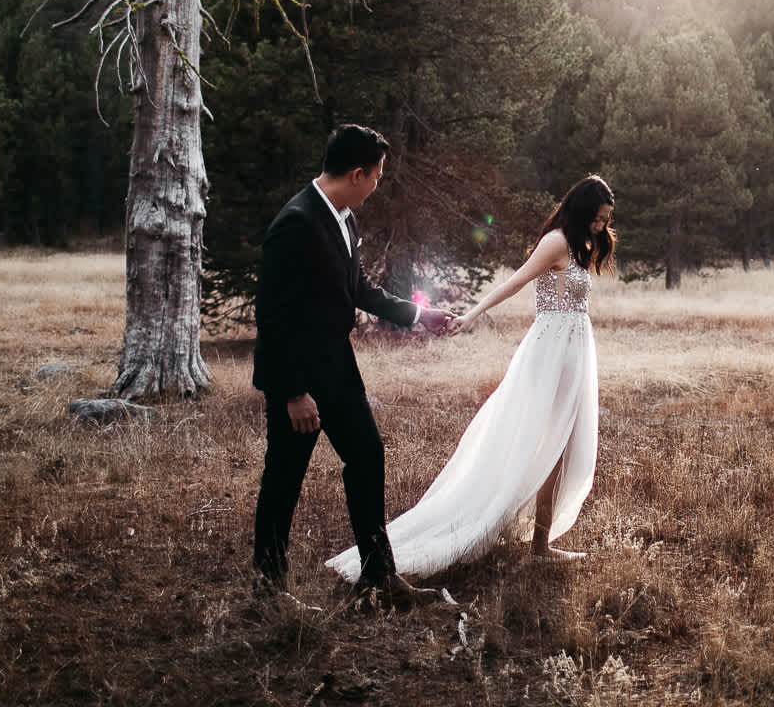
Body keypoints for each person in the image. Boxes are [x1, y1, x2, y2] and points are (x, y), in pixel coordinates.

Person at [326, 175, 614, 582]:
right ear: (583, 210)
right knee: (540, 439)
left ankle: (540, 544)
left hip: (576, 349)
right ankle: (518, 535)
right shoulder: (556, 242)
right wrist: (472, 315)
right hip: (551, 351)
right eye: (598, 219)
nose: (601, 227)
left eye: (606, 221)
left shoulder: (583, 244)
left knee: (564, 444)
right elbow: (514, 282)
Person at [251, 124, 455, 610]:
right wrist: (293, 392)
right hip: (298, 375)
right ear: (358, 173)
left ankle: (379, 578)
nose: (378, 185)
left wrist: (416, 315)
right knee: (284, 477)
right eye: (377, 176)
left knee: (366, 456)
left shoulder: (344, 218)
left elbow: (358, 289)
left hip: (337, 367)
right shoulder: (296, 222)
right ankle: (267, 591)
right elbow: (272, 316)